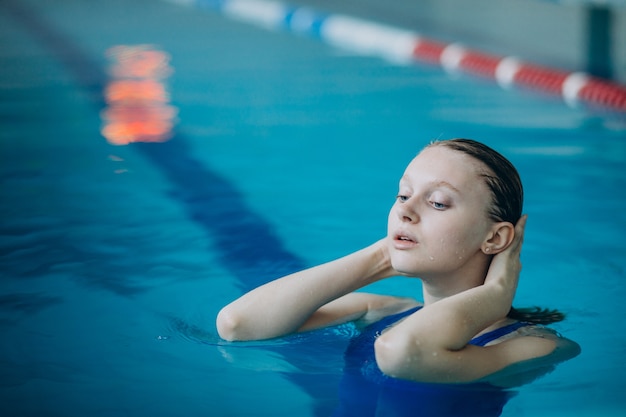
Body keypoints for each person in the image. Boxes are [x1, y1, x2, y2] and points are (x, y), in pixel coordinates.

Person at [216, 138, 580, 391]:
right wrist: (379, 257)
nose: (405, 210)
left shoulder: (536, 345)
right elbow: (237, 325)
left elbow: (404, 352)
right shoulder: (383, 310)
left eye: (437, 202)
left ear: (495, 239)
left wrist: (495, 296)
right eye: (403, 195)